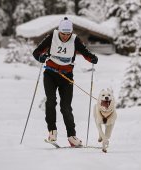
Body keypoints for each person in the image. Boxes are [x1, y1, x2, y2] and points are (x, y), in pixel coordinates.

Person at [32, 17, 98, 147]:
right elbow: (36, 52)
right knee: (51, 101)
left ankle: (72, 136)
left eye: (68, 34)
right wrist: (41, 57)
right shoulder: (52, 37)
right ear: (59, 31)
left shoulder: (75, 40)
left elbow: (86, 53)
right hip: (50, 74)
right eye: (63, 34)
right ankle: (52, 131)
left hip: (66, 76)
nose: (65, 37)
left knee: (66, 107)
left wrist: (92, 58)